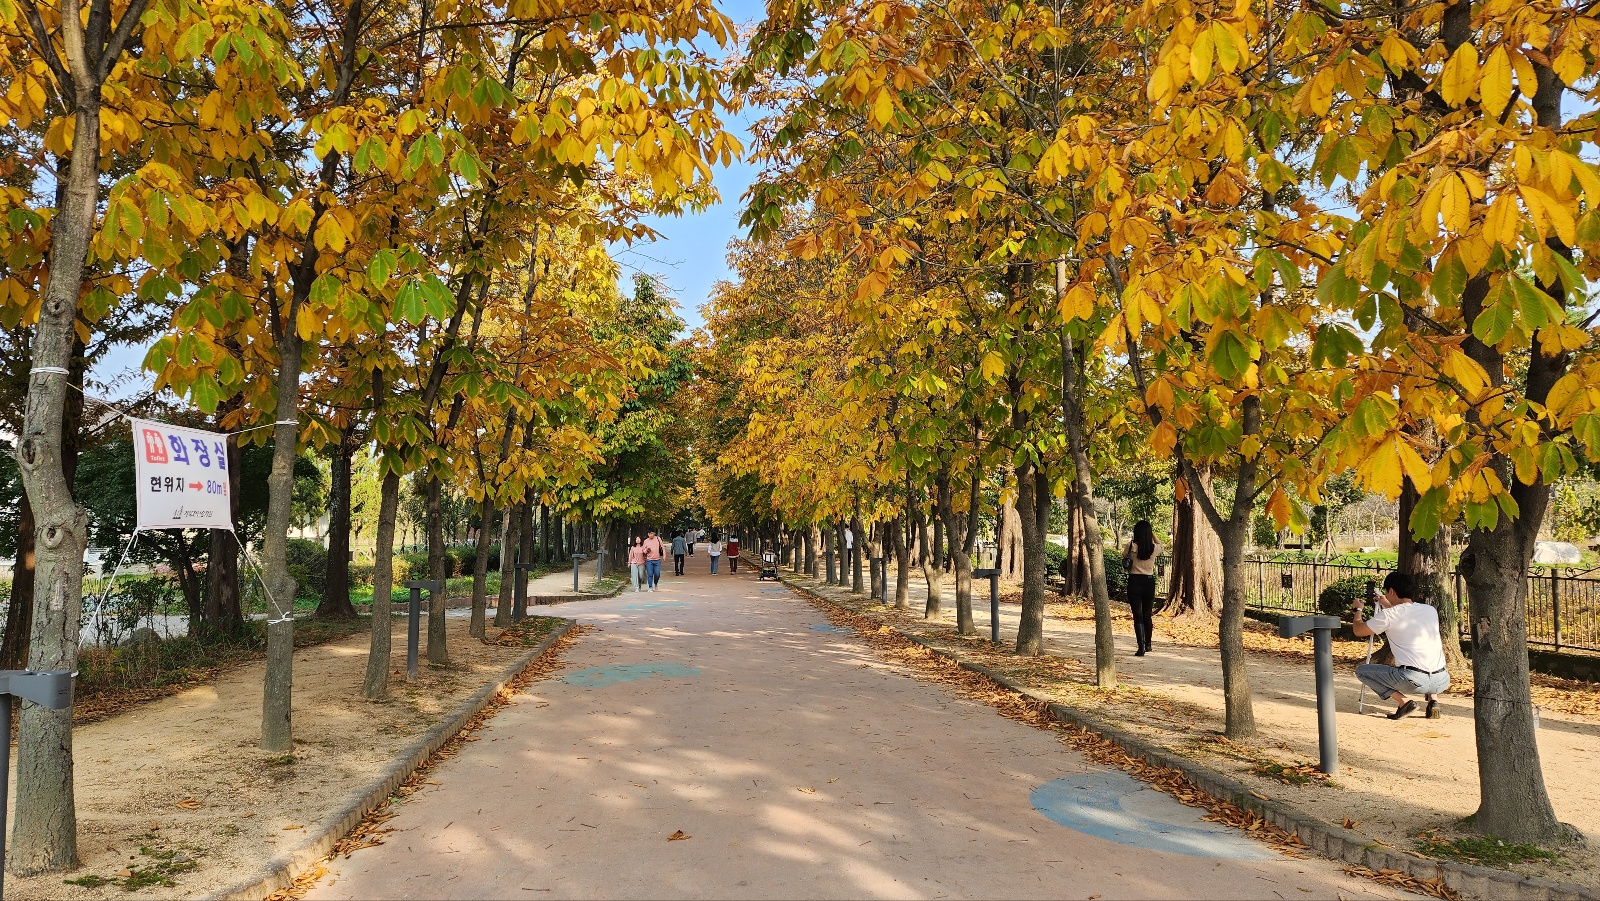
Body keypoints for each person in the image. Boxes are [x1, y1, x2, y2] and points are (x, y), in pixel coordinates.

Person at [1352, 572, 1449, 720]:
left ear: (1391, 591)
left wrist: (1357, 611)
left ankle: (1404, 702)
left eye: (1386, 592)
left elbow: (1359, 631)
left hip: (1413, 680)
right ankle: (1433, 701)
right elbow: (1405, 614)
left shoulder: (1389, 615)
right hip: (1442, 679)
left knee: (1362, 671)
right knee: (1425, 653)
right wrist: (1386, 604)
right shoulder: (1429, 610)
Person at [1123, 520, 1161, 657]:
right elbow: (1160, 544)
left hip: (1134, 582)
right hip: (1148, 582)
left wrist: (1133, 539)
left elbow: (1124, 555)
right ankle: (1149, 643)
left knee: (1137, 615)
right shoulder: (1154, 549)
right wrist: (1152, 534)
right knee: (1147, 615)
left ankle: (1141, 647)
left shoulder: (1131, 546)